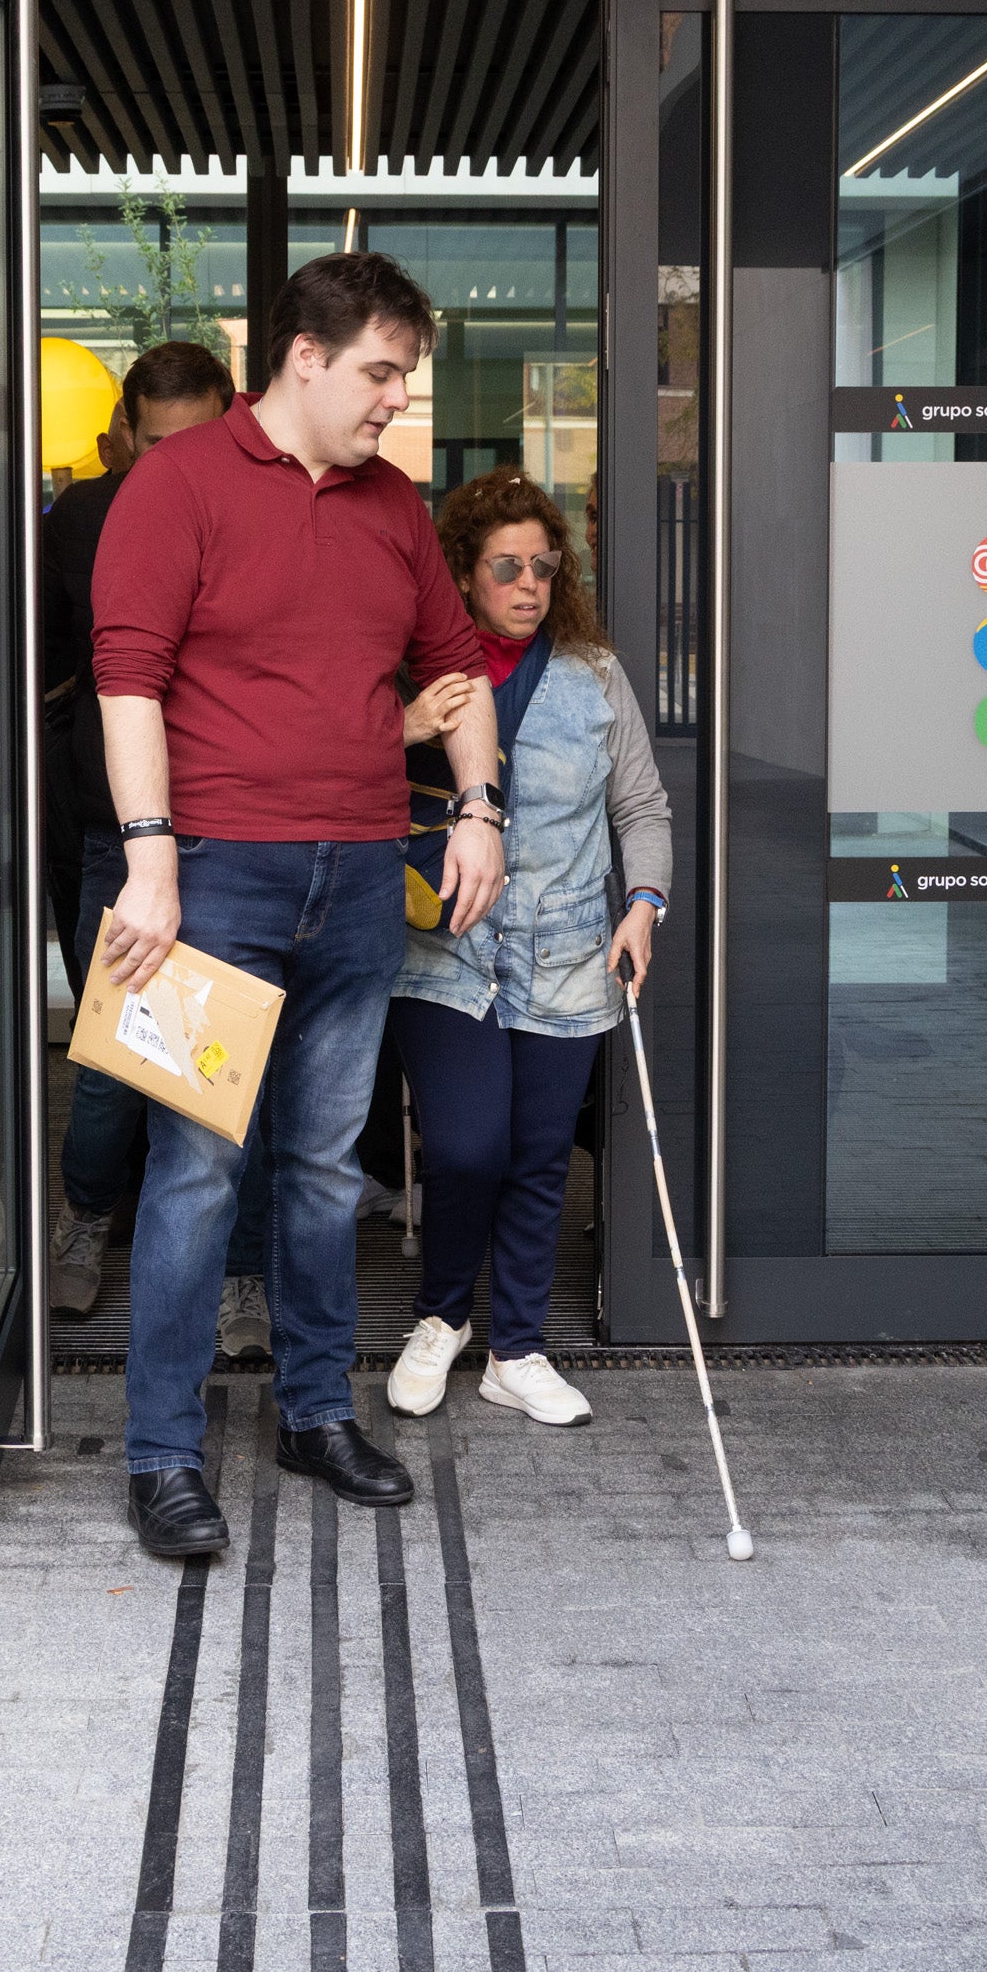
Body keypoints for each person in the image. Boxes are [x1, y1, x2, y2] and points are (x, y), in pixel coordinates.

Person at [89, 252, 501, 1561]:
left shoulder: (391, 506)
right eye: (380, 372)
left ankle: (316, 1410)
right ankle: (163, 1448)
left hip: (362, 878)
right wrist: (150, 857)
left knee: (324, 1170)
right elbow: (128, 681)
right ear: (303, 357)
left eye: (405, 376)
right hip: (217, 877)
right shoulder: (180, 484)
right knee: (198, 1171)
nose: (395, 399)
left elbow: (456, 663)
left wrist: (482, 804)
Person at [381, 472, 669, 1428]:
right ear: (462, 574)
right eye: (506, 564)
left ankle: (516, 1346)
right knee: (467, 1147)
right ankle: (439, 1317)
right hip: (447, 953)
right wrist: (402, 727)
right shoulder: (414, 670)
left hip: (568, 951)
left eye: (543, 565)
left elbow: (641, 803)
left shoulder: (595, 674)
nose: (528, 581)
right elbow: (332, 776)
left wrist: (644, 903)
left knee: (543, 1154)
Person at [37, 339, 236, 1319]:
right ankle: (83, 1214)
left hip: (238, 823)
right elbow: (28, 652)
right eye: (154, 445)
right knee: (114, 1053)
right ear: (119, 438)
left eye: (194, 441)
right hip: (113, 829)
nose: (173, 467)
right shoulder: (79, 518)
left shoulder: (260, 512)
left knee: (232, 1056)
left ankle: (238, 1268)